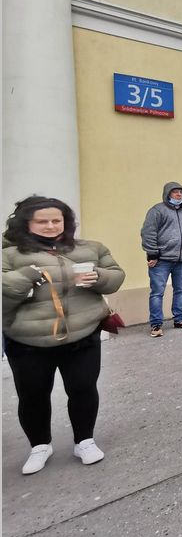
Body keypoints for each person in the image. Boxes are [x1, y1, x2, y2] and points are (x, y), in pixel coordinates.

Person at [2, 196, 125, 474]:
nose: (50, 226)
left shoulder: (89, 248)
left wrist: (98, 277)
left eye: (56, 220)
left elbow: (116, 276)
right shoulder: (8, 254)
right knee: (32, 395)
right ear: (26, 223)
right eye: (42, 221)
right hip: (28, 341)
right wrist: (26, 276)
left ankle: (84, 440)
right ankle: (39, 445)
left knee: (83, 388)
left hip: (82, 335)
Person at [140, 181, 182, 337]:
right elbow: (148, 232)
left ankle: (179, 320)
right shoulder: (157, 211)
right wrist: (152, 253)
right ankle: (156, 324)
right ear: (167, 194)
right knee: (157, 292)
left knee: (181, 290)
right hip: (161, 260)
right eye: (175, 192)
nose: (179, 195)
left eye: (181, 192)